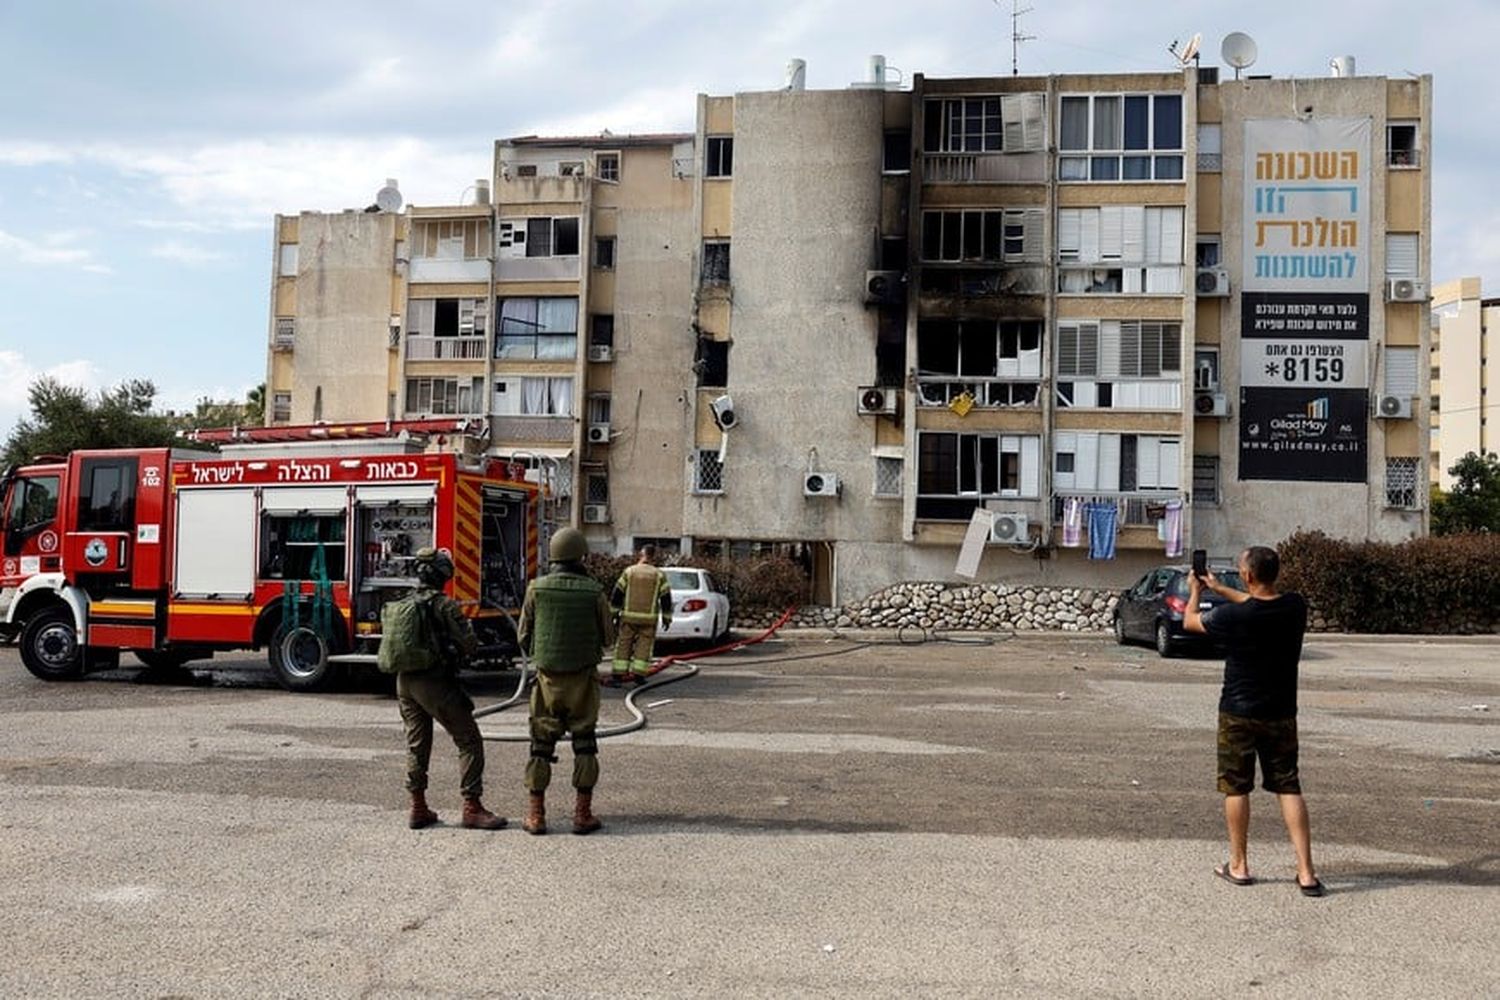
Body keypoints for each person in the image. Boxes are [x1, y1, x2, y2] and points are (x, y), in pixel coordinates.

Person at [1184, 545, 1324, 897]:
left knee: (1236, 787)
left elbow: (1190, 622)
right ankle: (1306, 872)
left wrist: (1197, 592)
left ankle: (1239, 864)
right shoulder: (1295, 607)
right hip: (1281, 712)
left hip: (1238, 712)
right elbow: (1259, 602)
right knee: (1288, 786)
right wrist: (1220, 587)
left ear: (1247, 575)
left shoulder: (1232, 618)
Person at [394, 547, 506, 831]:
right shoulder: (444, 605)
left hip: (404, 681)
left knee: (417, 744)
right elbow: (470, 645)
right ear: (443, 575)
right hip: (435, 682)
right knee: (469, 740)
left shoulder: (403, 601)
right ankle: (472, 807)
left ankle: (417, 807)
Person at [517, 527, 615, 835]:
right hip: (583, 682)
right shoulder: (593, 590)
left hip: (547, 681)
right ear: (581, 555)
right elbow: (609, 638)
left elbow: (523, 636)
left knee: (540, 747)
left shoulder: (537, 588)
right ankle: (582, 815)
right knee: (585, 745)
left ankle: (536, 816)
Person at [609, 545, 673, 685]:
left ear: (640, 555)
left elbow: (617, 594)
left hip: (628, 617)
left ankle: (617, 677)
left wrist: (613, 613)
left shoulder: (629, 572)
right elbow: (666, 598)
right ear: (653, 557)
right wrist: (667, 618)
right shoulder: (659, 575)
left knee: (623, 644)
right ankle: (639, 676)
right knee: (644, 646)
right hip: (648, 619)